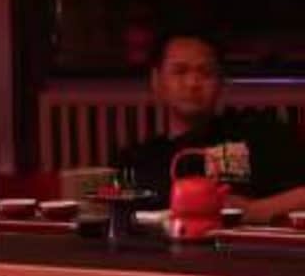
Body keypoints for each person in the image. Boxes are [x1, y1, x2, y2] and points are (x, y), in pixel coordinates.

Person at [109, 30, 305, 221]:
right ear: (157, 81)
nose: (193, 83)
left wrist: (255, 211)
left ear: (221, 82)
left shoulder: (259, 133)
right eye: (180, 71)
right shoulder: (139, 160)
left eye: (206, 72)